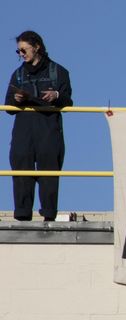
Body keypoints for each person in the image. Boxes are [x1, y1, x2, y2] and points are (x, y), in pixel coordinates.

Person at [5, 31, 72, 222]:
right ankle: (22, 214)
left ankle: (49, 214)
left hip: (48, 127)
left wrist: (56, 96)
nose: (21, 54)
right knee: (21, 165)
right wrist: (16, 99)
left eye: (24, 50)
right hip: (23, 129)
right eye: (18, 51)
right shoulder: (18, 75)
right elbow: (8, 107)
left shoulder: (58, 71)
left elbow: (68, 102)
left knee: (49, 168)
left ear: (36, 47)